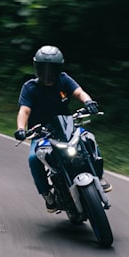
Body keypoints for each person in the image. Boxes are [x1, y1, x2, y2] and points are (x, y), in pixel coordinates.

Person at [14, 45, 110, 212]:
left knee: (89, 139)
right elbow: (24, 110)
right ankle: (47, 195)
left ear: (59, 68)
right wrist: (21, 129)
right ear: (37, 68)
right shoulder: (29, 87)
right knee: (33, 159)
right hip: (40, 133)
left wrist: (88, 102)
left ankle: (99, 176)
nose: (47, 73)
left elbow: (79, 92)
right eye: (44, 68)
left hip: (67, 127)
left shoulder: (64, 79)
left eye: (52, 68)